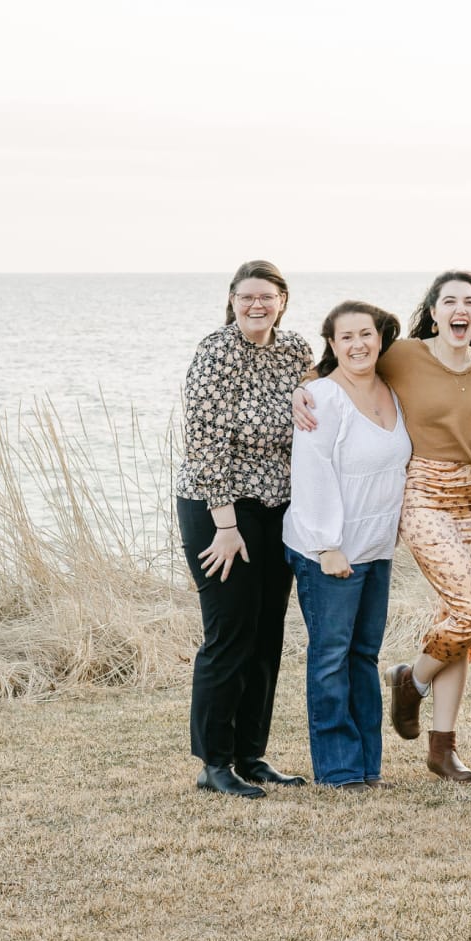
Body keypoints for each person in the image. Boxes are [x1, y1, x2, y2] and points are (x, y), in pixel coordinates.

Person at [294, 270, 471, 782]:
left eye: (469, 302)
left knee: (459, 625)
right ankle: (411, 679)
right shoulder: (404, 353)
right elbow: (345, 365)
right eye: (449, 301)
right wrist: (301, 390)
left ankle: (442, 746)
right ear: (432, 310)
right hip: (424, 492)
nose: (460, 309)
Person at [176, 259, 312, 798]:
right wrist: (226, 525)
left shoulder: (296, 350)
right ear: (232, 300)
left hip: (278, 507)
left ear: (283, 300)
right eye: (246, 297)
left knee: (267, 635)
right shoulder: (217, 351)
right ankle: (215, 763)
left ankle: (252, 755)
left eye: (267, 296)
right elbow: (204, 444)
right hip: (219, 507)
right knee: (229, 632)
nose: (257, 305)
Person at [282, 301, 411, 792]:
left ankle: (367, 766)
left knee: (364, 654)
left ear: (381, 337)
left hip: (375, 547)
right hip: (329, 550)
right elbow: (311, 471)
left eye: (366, 334)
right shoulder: (322, 396)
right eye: (345, 337)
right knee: (332, 655)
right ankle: (338, 769)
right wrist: (326, 545)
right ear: (331, 345)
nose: (358, 345)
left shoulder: (392, 389)